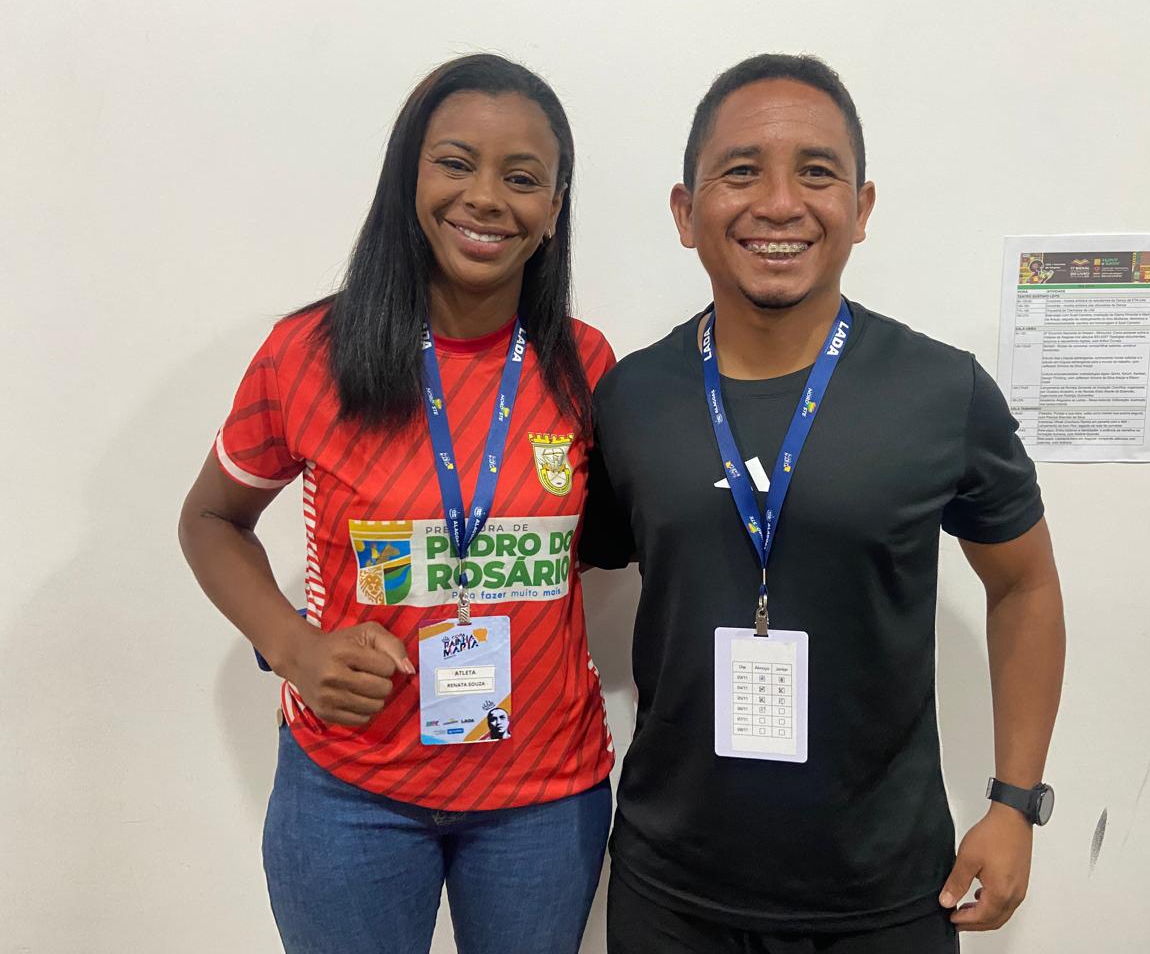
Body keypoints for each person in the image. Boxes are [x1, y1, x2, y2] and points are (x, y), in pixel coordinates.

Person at [582, 54, 1066, 953]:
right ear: (685, 212)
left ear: (862, 208)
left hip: (885, 894)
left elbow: (1025, 586)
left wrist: (1014, 802)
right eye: (741, 171)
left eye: (816, 172)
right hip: (672, 890)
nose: (779, 203)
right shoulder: (630, 398)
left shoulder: (942, 392)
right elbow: (557, 569)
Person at [179, 54, 615, 954]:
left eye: (522, 178)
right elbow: (210, 520)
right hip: (350, 792)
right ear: (408, 177)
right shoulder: (309, 352)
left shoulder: (586, 365)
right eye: (455, 163)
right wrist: (294, 647)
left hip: (542, 798)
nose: (486, 197)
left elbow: (636, 535)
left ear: (554, 209)